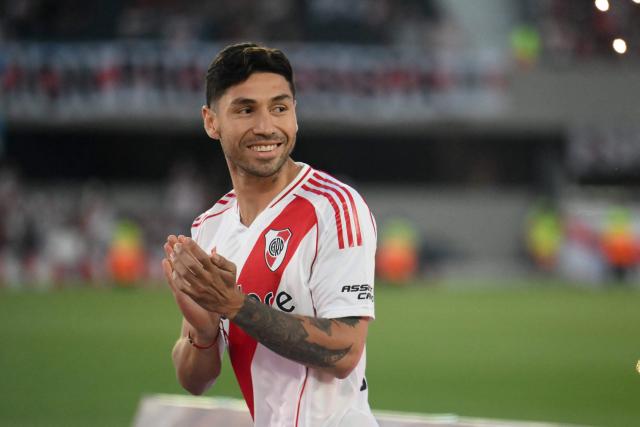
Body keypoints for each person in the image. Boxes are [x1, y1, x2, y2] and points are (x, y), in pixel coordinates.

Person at [162, 42, 378, 427]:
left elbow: (344, 351)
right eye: (246, 110)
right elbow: (195, 380)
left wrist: (234, 306)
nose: (266, 126)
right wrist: (204, 330)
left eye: (280, 108)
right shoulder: (209, 227)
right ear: (211, 122)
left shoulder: (335, 207)